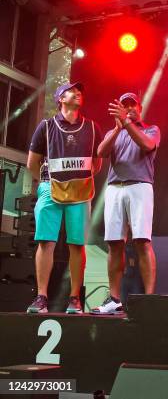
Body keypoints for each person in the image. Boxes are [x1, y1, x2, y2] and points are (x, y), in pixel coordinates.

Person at [26, 82, 103, 314]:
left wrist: (77, 181)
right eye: (72, 91)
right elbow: (32, 163)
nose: (78, 93)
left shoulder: (92, 127)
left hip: (80, 192)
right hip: (50, 188)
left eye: (80, 91)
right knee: (46, 242)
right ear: (60, 98)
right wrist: (49, 183)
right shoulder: (46, 126)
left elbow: (96, 164)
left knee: (77, 245)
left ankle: (74, 299)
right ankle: (41, 297)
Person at [91, 92, 160, 314]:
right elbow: (101, 152)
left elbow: (147, 145)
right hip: (114, 188)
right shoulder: (115, 131)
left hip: (140, 186)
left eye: (132, 105)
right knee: (114, 244)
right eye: (125, 105)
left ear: (140, 108)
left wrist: (127, 122)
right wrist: (119, 128)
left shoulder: (151, 129)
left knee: (142, 241)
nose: (129, 108)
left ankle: (149, 298)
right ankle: (114, 298)